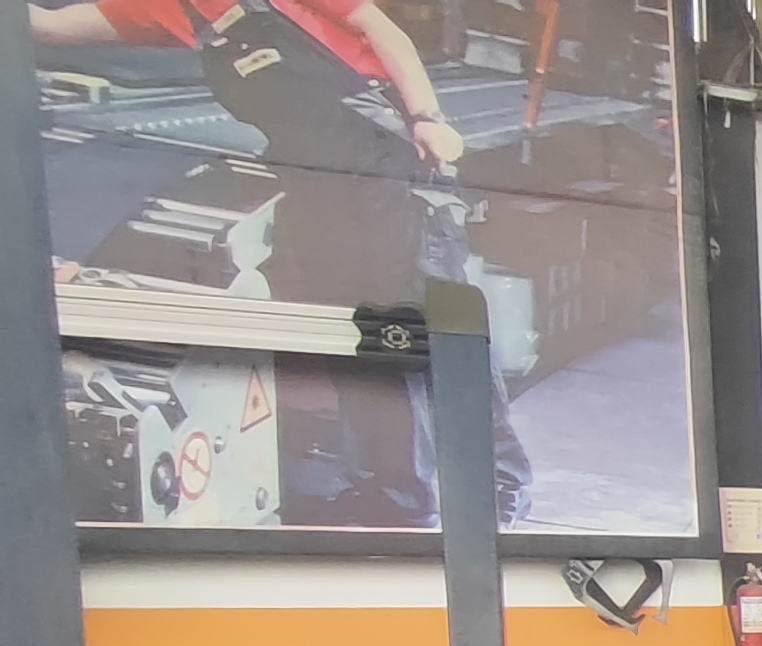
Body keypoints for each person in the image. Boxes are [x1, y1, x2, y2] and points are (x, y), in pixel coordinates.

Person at [29, 0, 536, 523]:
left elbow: (380, 29)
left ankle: (498, 484)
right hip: (317, 188)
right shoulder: (171, 8)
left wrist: (428, 118)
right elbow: (49, 26)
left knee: (433, 330)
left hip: (388, 164)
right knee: (362, 337)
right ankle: (398, 494)